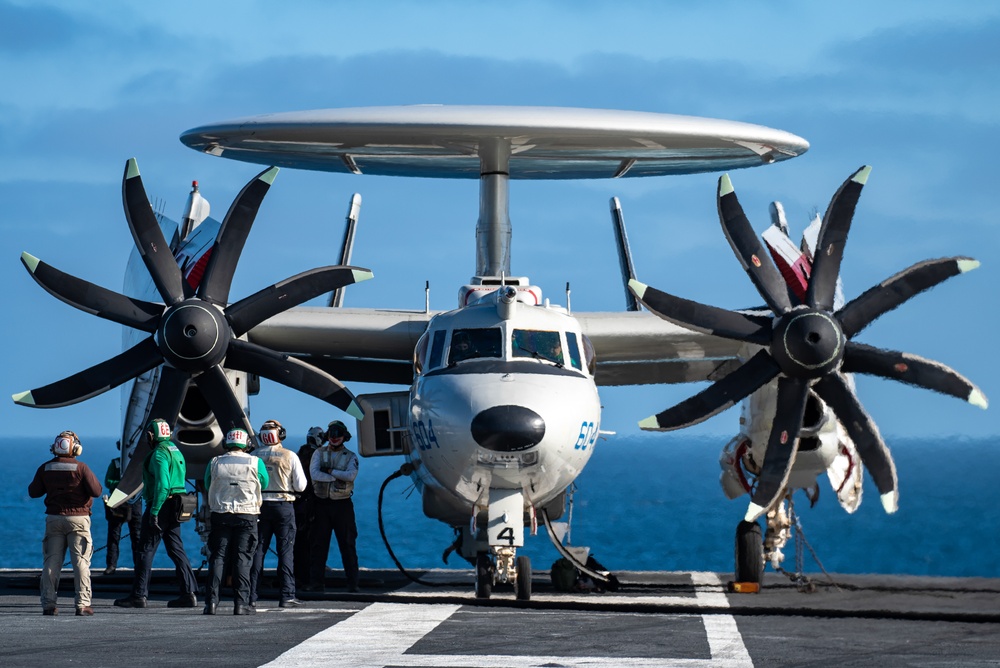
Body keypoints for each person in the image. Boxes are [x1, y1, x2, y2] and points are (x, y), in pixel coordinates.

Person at [114, 418, 199, 609]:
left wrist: (154, 511)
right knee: (177, 550)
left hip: (161, 506)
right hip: (177, 506)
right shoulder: (176, 451)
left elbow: (163, 485)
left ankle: (138, 595)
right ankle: (189, 593)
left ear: (151, 435)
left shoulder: (159, 454)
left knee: (145, 550)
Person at [28, 430, 102, 616]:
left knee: (51, 563)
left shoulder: (45, 468)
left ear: (55, 447)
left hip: (54, 519)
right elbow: (97, 491)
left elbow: (33, 492)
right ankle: (82, 604)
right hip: (78, 520)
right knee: (81, 563)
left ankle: (48, 604)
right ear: (76, 449)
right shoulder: (82, 468)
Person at [203, 427, 268, 615]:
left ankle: (211, 603)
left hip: (220, 514)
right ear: (246, 444)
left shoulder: (215, 462)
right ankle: (241, 604)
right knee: (243, 558)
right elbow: (263, 483)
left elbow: (208, 484)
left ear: (226, 443)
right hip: (247, 515)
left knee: (218, 557)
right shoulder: (256, 462)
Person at [249, 419, 306, 609]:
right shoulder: (290, 456)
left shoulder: (254, 456)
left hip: (260, 506)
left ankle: (252, 595)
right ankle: (287, 595)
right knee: (285, 551)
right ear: (280, 434)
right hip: (284, 505)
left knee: (258, 551)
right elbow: (301, 485)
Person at [305, 420, 360, 592]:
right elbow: (314, 474)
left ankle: (352, 583)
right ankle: (316, 581)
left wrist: (329, 472)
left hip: (342, 505)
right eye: (332, 434)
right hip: (321, 504)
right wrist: (336, 477)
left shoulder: (350, 457)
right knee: (318, 544)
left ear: (344, 437)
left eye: (338, 434)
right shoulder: (319, 454)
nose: (335, 438)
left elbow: (350, 476)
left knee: (348, 544)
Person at [102, 445, 142, 575]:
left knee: (137, 536)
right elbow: (108, 481)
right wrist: (123, 484)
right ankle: (111, 565)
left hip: (133, 502)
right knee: (114, 536)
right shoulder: (116, 463)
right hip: (119, 502)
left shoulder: (137, 465)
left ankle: (139, 565)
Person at [294, 426, 326, 587]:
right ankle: (307, 575)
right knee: (309, 541)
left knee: (300, 542)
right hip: (309, 504)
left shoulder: (300, 454)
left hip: (299, 503)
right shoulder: (314, 455)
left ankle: (300, 574)